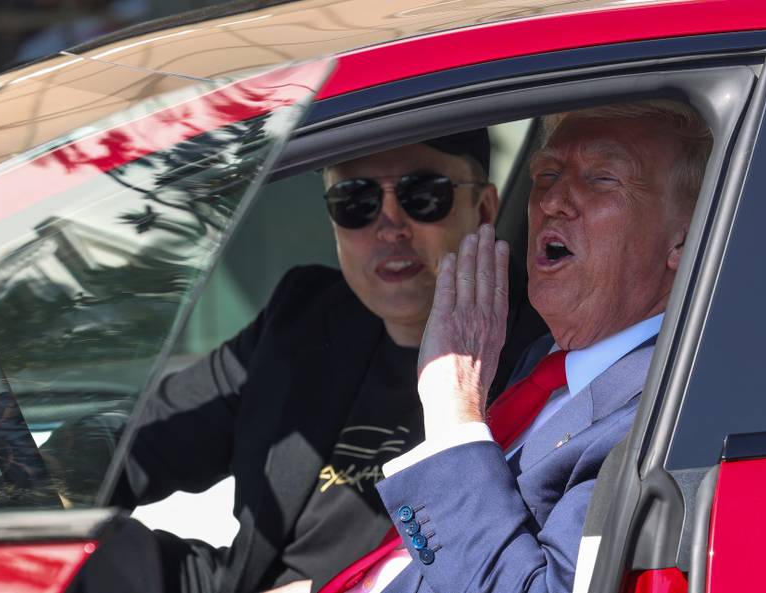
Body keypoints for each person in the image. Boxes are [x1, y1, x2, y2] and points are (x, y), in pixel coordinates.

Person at [97, 129, 544, 593]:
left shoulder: (543, 348)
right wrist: (40, 491)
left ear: (485, 210)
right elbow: (136, 446)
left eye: (422, 195)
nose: (390, 225)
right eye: (354, 200)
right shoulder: (304, 314)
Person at [318, 100, 712, 593]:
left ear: (686, 235)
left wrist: (453, 410)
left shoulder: (662, 415)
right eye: (546, 174)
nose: (551, 201)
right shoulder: (543, 362)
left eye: (601, 179)